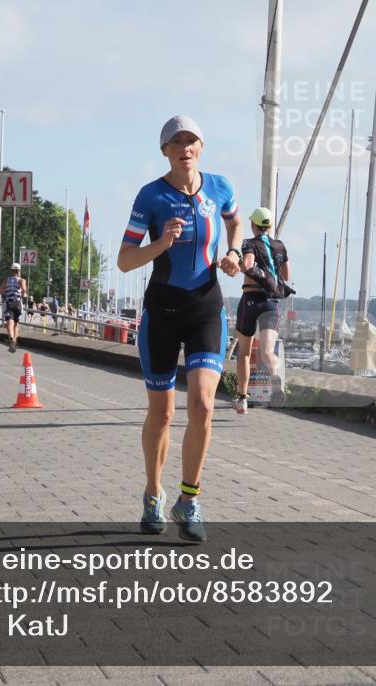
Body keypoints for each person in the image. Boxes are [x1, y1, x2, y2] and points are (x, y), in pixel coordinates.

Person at [117, 115, 243, 543]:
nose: (185, 148)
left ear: (201, 148)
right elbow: (124, 260)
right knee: (164, 412)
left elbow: (235, 222)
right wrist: (161, 244)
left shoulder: (220, 186)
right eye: (177, 142)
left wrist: (233, 252)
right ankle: (153, 493)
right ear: (165, 150)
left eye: (192, 142)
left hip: (206, 307)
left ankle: (189, 499)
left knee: (204, 405)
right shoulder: (151, 196)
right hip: (163, 311)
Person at [233, 207, 292, 414]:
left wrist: (239, 264)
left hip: (251, 299)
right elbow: (286, 274)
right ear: (269, 226)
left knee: (245, 353)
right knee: (267, 351)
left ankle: (242, 400)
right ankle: (276, 378)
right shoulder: (280, 246)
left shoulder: (249, 243)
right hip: (271, 303)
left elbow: (248, 266)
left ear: (253, 224)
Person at [0, 263, 26, 353]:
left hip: (9, 303)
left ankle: (11, 339)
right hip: (17, 303)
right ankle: (14, 341)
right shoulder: (21, 280)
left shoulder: (6, 280)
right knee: (16, 324)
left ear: (11, 270)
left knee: (9, 322)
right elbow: (24, 290)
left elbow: (1, 291)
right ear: (19, 271)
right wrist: (24, 294)